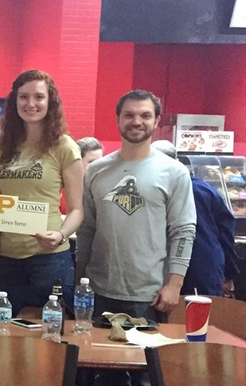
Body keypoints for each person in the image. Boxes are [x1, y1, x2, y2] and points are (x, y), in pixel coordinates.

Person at [77, 90, 196, 386]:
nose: (136, 122)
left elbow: (183, 231)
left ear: (156, 121)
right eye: (129, 115)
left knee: (147, 378)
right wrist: (80, 278)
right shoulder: (96, 170)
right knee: (100, 377)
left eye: (145, 115)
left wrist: (174, 284)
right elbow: (87, 228)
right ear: (118, 119)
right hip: (101, 291)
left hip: (150, 296)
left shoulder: (175, 173)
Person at [0, 70, 83, 314]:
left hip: (48, 258)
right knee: (4, 333)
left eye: (39, 97)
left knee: (49, 337)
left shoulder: (64, 146)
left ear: (51, 102)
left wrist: (60, 235)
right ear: (14, 101)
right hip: (6, 257)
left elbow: (77, 210)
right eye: (23, 97)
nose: (31, 104)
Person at [152, 140, 238, 298]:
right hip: (203, 268)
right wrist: (229, 272)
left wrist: (229, 272)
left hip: (194, 267)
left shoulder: (192, 190)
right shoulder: (205, 189)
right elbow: (226, 231)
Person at [62, 137, 105, 214]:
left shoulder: (104, 188)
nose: (98, 167)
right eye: (92, 162)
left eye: (100, 162)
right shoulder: (61, 185)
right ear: (77, 161)